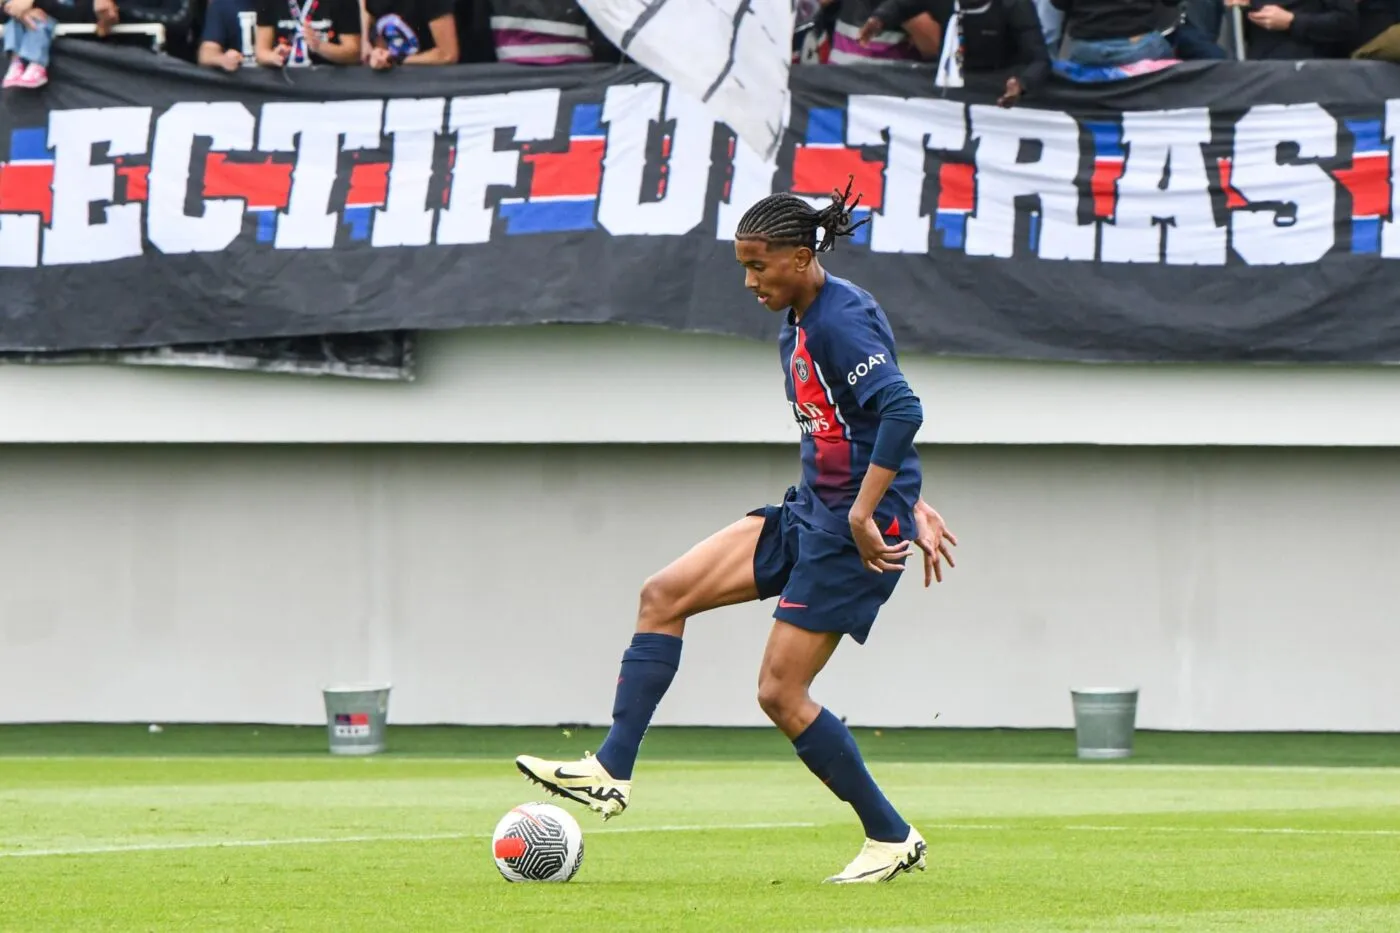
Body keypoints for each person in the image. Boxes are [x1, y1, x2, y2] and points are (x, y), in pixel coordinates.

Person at [515, 181, 959, 885]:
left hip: (851, 537)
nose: (749, 281)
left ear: (799, 256)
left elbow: (903, 409)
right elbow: (863, 421)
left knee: (781, 693)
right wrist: (913, 495)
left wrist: (873, 510)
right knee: (663, 594)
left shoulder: (842, 320)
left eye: (758, 265)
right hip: (811, 511)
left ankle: (890, 836)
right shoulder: (800, 319)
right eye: (743, 266)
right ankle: (611, 768)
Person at [860, 0, 1050, 107]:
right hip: (951, 86)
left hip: (997, 88)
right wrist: (880, 18)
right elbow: (901, 5)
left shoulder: (1015, 5)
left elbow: (1039, 58)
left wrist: (1022, 84)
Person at [255, 0, 361, 66]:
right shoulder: (269, 2)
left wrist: (320, 47)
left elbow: (354, 53)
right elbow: (260, 52)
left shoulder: (343, 2)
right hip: (283, 79)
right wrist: (274, 57)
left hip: (331, 80)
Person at [363, 0, 457, 68]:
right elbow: (380, 34)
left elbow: (447, 55)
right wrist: (379, 55)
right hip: (396, 77)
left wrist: (398, 60)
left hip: (437, 77)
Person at [199, 0, 259, 70]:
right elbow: (206, 54)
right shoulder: (223, 5)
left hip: (268, 73)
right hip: (239, 74)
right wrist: (223, 59)